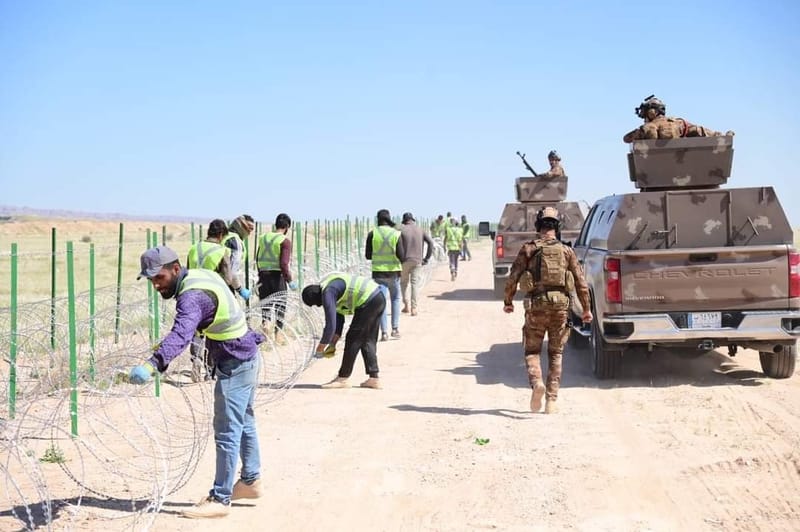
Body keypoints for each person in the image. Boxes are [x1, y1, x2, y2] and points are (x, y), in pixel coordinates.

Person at [128, 246, 264, 518]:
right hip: (246, 354)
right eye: (151, 280)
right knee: (244, 419)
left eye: (160, 278)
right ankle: (250, 480)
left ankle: (220, 499)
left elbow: (181, 333)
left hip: (235, 361)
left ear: (176, 269)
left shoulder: (191, 296)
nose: (156, 285)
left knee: (227, 429)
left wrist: (153, 364)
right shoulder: (200, 275)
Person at [502, 207, 593, 415]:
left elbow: (512, 277)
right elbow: (581, 283)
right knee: (556, 352)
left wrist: (508, 301)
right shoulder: (567, 251)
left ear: (538, 226)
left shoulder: (529, 249)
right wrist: (586, 310)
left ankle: (536, 384)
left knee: (532, 351)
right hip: (561, 308)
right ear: (557, 227)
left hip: (536, 306)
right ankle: (551, 401)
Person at [301, 273, 386, 389]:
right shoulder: (332, 290)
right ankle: (374, 378)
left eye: (316, 304)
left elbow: (330, 325)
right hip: (378, 298)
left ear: (316, 297)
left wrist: (320, 348)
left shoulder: (328, 292)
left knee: (353, 339)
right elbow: (338, 323)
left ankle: (343, 378)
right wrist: (332, 344)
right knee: (367, 339)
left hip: (369, 301)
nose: (319, 305)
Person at [186, 219, 239, 382]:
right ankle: (210, 371)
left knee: (196, 331)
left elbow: (187, 270)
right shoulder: (222, 251)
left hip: (192, 292)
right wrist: (239, 289)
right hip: (212, 296)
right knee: (213, 333)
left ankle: (196, 362)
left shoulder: (194, 248)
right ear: (221, 234)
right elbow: (229, 278)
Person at [255, 213, 297, 345]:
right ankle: (278, 336)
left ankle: (265, 335)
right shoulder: (284, 241)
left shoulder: (263, 238)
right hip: (277, 277)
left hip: (263, 276)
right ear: (287, 227)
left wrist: (260, 276)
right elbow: (284, 263)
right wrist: (289, 280)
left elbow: (258, 258)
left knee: (266, 307)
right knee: (280, 307)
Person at [365, 209, 405, 341]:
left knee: (381, 302)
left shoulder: (372, 234)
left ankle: (384, 333)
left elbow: (368, 255)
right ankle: (395, 329)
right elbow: (402, 256)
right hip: (394, 273)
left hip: (378, 273)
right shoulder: (396, 234)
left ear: (378, 219)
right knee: (395, 299)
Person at [623, 95, 734, 143]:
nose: (644, 117)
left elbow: (626, 139)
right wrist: (721, 135)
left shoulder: (646, 128)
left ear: (652, 112)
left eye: (644, 113)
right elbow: (700, 131)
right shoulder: (680, 124)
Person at [398, 212, 434, 316]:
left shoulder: (401, 230)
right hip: (418, 260)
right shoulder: (420, 230)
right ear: (413, 220)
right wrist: (426, 258)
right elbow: (430, 243)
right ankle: (414, 308)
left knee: (404, 283)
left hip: (404, 261)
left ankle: (406, 305)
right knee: (415, 284)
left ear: (404, 221)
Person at [223, 214, 255, 302]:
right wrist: (240, 290)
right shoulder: (236, 242)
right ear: (242, 226)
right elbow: (231, 273)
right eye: (250, 228)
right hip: (224, 286)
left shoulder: (222, 236)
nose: (249, 232)